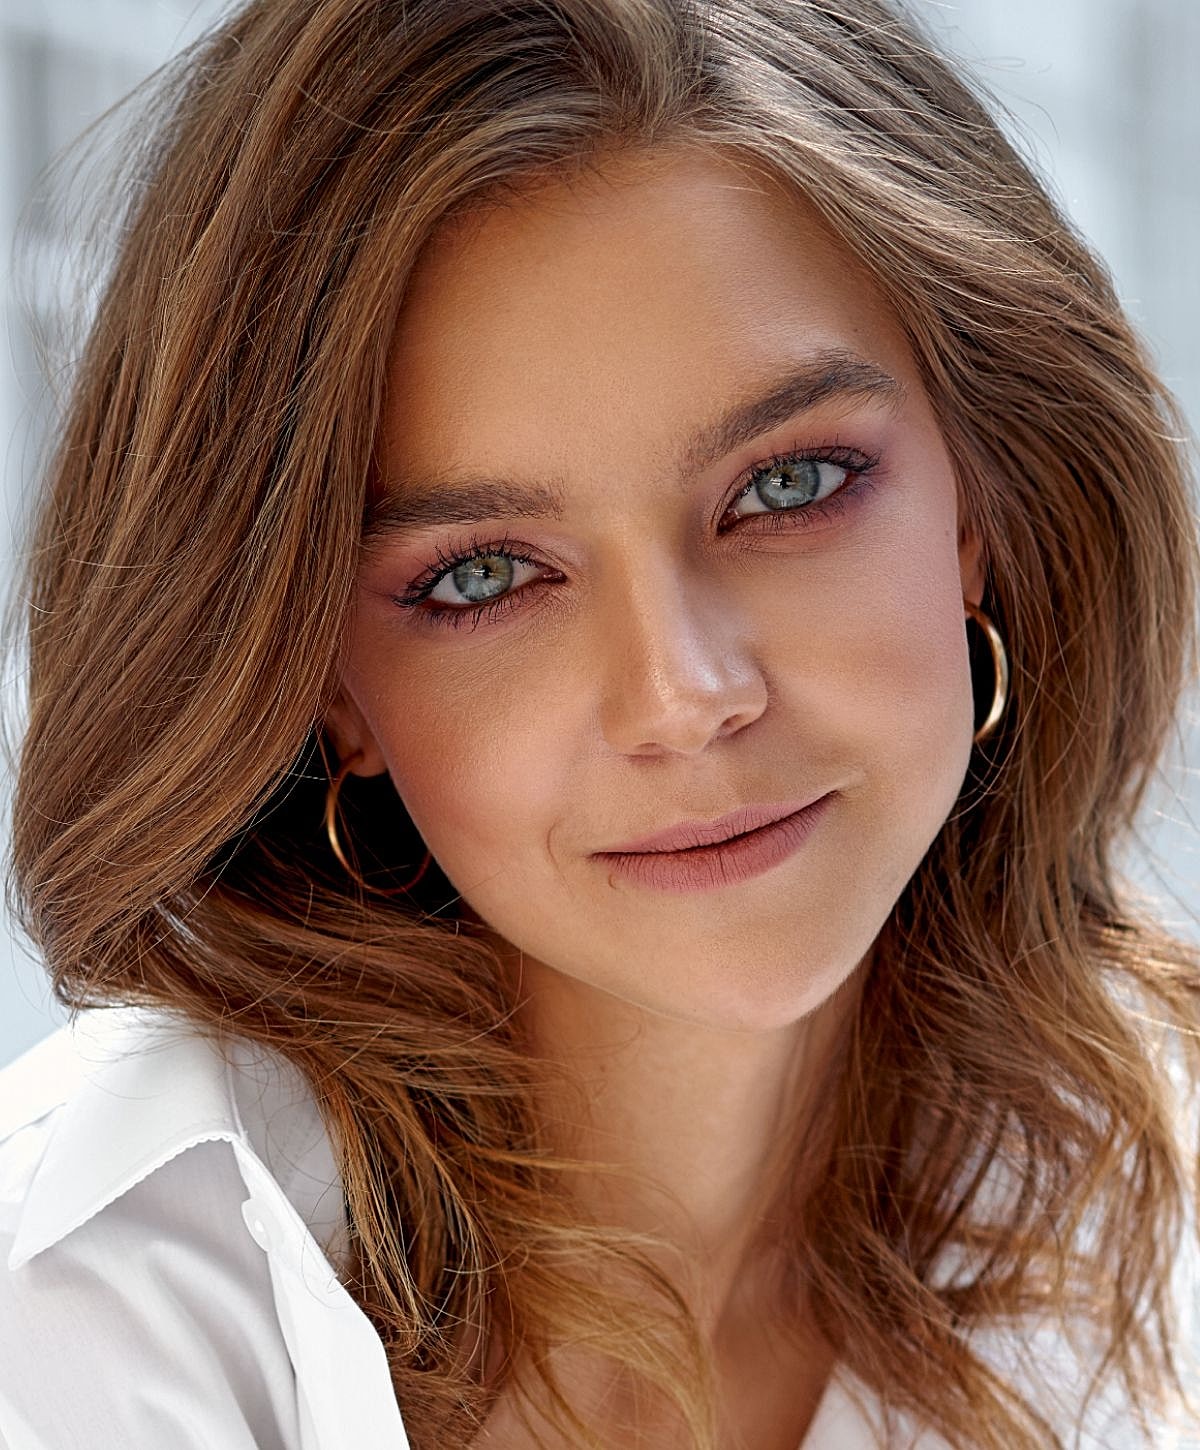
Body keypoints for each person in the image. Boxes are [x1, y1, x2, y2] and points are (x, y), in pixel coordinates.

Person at [0, 0, 1198, 1446]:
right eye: (485, 575)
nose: (684, 693)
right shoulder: (88, 1310)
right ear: (324, 679)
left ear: (979, 507)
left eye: (792, 484)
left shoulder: (1152, 1185)